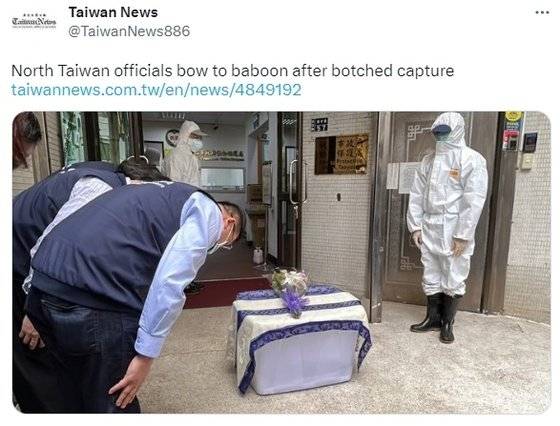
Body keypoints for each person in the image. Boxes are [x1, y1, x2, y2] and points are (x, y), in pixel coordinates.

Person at [25, 180, 244, 413]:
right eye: (226, 242)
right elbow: (170, 281)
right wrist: (145, 356)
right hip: (92, 296)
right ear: (229, 223)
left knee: (71, 392)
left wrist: (33, 288)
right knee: (114, 400)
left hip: (44, 282)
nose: (218, 244)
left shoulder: (162, 191)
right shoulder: (208, 212)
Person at [13, 159, 167, 413]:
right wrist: (33, 306)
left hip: (35, 261)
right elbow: (50, 244)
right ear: (138, 185)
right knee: (38, 363)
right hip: (18, 260)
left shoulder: (110, 184)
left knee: (60, 361)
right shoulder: (99, 189)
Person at [406, 112, 488, 343]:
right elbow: (416, 194)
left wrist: (463, 235)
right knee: (430, 270)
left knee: (454, 272)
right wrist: (415, 226)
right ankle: (432, 318)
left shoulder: (472, 159)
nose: (440, 136)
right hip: (429, 224)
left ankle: (447, 323)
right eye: (437, 132)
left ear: (458, 130)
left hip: (454, 226)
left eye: (445, 132)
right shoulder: (428, 160)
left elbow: (474, 200)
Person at [164, 120, 206, 186]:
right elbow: (174, 185)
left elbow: (195, 181)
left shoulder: (192, 157)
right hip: (182, 192)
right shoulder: (175, 156)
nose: (198, 140)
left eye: (200, 138)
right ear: (185, 136)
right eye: (195, 137)